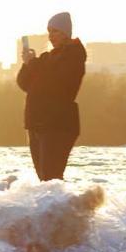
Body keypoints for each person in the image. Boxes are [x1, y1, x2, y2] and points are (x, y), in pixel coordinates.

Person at [16, 12, 87, 181]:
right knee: (44, 178)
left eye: (55, 31)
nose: (51, 36)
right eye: (49, 31)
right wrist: (27, 64)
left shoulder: (74, 56)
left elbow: (55, 83)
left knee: (52, 177)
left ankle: (66, 206)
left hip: (58, 124)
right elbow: (25, 84)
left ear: (66, 33)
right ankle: (57, 207)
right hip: (37, 124)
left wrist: (33, 63)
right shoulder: (48, 57)